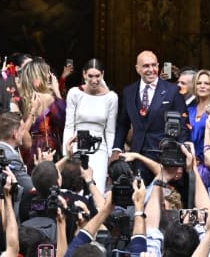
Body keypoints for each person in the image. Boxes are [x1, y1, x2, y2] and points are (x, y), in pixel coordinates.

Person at [111, 50, 187, 182]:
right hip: (137, 156)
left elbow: (183, 127)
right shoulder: (129, 91)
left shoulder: (173, 91)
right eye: (146, 66)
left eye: (154, 65)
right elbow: (123, 124)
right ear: (137, 68)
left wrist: (180, 161)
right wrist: (116, 149)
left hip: (165, 157)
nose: (151, 70)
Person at [63, 58, 118, 193]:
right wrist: (66, 152)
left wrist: (110, 157)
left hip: (99, 148)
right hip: (77, 145)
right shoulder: (74, 93)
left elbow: (110, 131)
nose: (94, 80)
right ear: (84, 74)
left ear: (102, 74)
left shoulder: (111, 97)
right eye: (90, 76)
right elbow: (69, 125)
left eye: (97, 76)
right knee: (76, 189)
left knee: (97, 188)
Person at [19, 57, 66, 166]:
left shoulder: (23, 97)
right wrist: (57, 91)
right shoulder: (48, 98)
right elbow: (63, 119)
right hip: (46, 146)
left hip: (27, 148)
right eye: (47, 72)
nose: (49, 75)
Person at [187, 69, 210, 188]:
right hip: (188, 164)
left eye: (206, 83)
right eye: (199, 83)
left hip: (207, 167)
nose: (202, 86)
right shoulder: (189, 110)